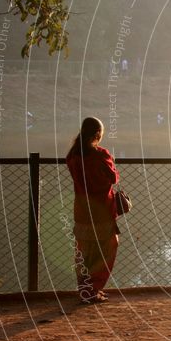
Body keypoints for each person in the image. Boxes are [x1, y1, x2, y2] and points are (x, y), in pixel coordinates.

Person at [65, 117, 120, 304]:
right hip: (101, 210)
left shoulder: (73, 155)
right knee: (107, 248)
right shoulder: (100, 155)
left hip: (81, 210)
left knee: (84, 252)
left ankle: (85, 290)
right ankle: (93, 290)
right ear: (97, 133)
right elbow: (113, 178)